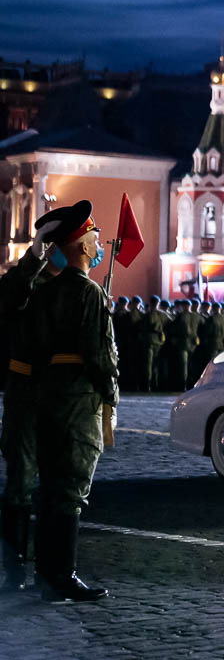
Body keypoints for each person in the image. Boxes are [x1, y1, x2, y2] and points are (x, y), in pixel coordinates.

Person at [31, 200, 116, 601]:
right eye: (95, 239)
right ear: (82, 246)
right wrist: (110, 394)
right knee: (72, 488)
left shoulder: (45, 293)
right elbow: (99, 355)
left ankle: (45, 569)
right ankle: (63, 574)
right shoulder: (90, 293)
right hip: (80, 396)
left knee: (49, 482)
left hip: (48, 392)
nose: (99, 246)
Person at [0, 209, 63, 590]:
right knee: (21, 480)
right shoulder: (25, 286)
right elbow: (11, 296)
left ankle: (50, 564)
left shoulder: (73, 287)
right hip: (26, 391)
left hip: (60, 394)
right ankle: (12, 565)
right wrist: (34, 255)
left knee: (57, 480)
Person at [138, 295, 169, 391]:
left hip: (151, 342)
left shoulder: (147, 315)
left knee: (150, 364)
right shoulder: (163, 315)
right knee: (153, 364)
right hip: (157, 342)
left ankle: (150, 385)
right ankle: (153, 384)